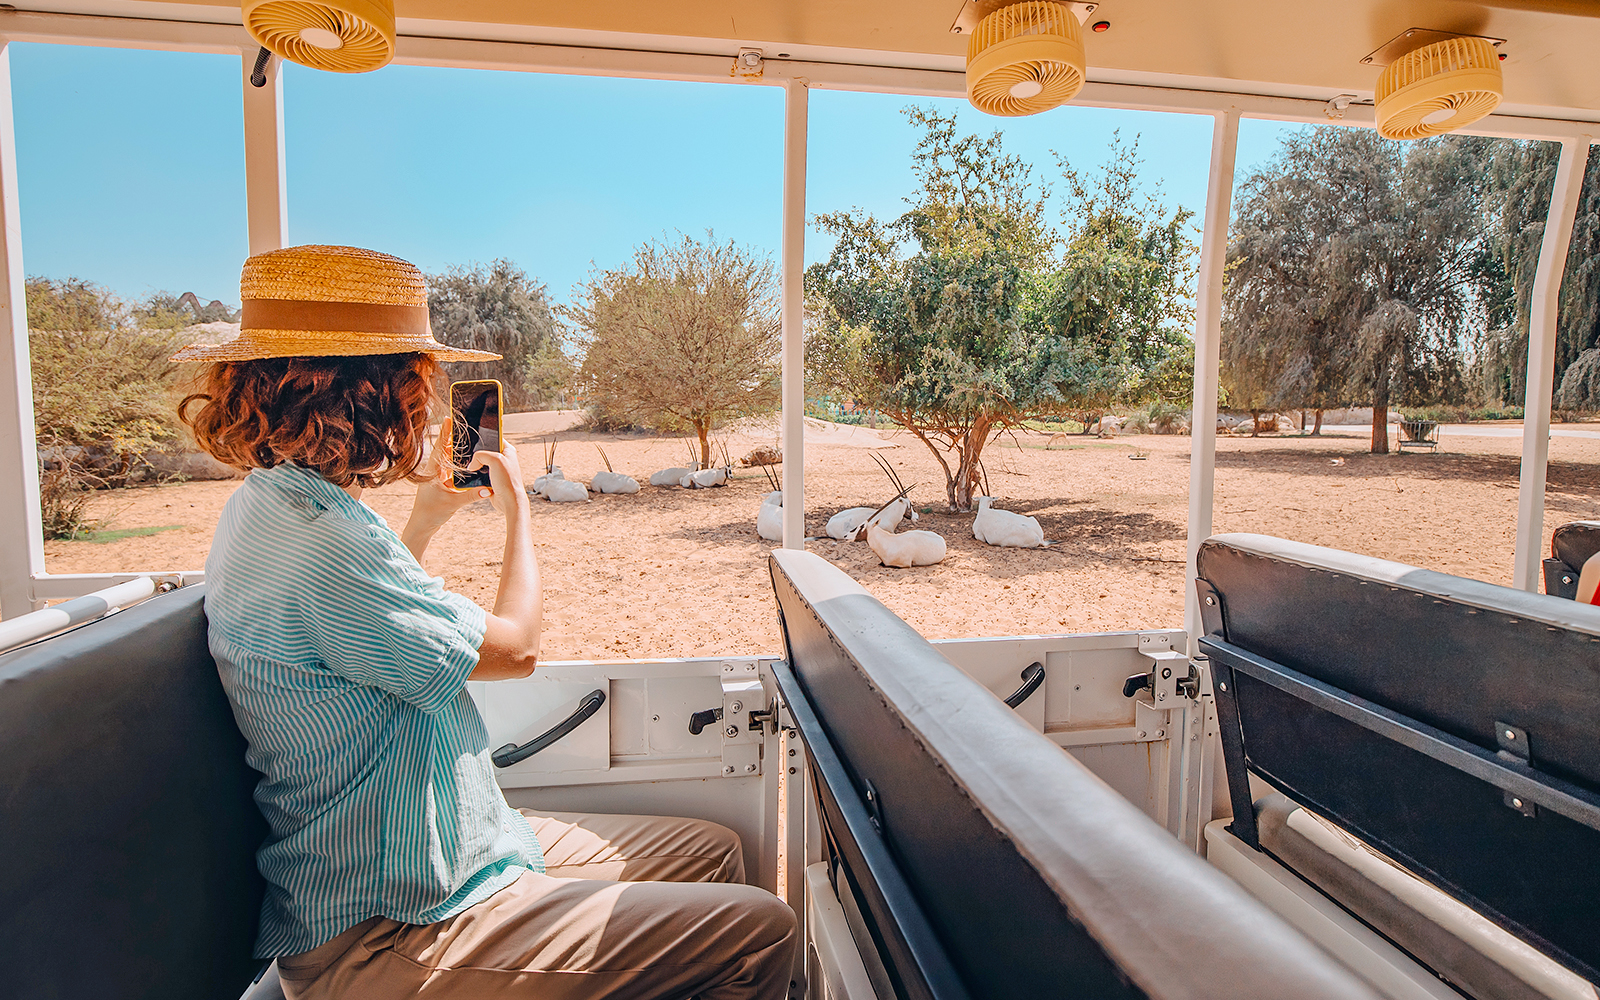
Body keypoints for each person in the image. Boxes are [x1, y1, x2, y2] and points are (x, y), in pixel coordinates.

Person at [173, 244, 795, 1000]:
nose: (426, 402)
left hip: (452, 850)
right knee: (762, 932)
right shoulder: (322, 537)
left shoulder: (279, 506)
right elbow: (518, 649)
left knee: (709, 850)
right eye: (416, 382)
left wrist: (425, 521)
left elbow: (357, 626)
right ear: (369, 394)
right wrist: (518, 518)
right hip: (396, 922)